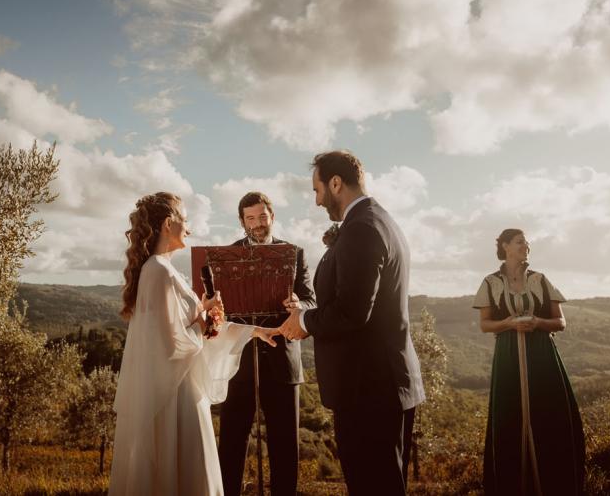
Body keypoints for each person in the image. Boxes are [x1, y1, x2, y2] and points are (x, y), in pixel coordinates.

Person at [109, 192, 280, 496]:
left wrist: (246, 328)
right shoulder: (159, 272)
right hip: (177, 396)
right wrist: (204, 318)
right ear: (167, 224)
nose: (188, 228)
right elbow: (171, 341)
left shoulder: (161, 268)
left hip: (180, 388)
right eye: (184, 220)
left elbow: (178, 326)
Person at [278, 150, 424, 496]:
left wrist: (305, 321)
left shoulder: (362, 228)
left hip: (369, 389)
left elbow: (353, 312)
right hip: (380, 384)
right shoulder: (378, 220)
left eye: (317, 191)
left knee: (374, 486)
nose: (316, 202)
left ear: (336, 183)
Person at [218, 191, 315, 496]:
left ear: (272, 216)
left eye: (262, 216)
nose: (258, 223)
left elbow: (312, 300)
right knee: (232, 440)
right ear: (242, 221)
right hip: (238, 358)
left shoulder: (295, 253)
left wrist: (299, 302)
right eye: (251, 218)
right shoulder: (226, 256)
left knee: (285, 442)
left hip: (283, 357)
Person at [474, 229, 584, 496]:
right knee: (509, 417)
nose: (527, 246)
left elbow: (561, 322)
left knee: (548, 413)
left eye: (526, 241)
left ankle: (555, 484)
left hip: (542, 354)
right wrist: (509, 323)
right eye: (520, 242)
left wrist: (537, 323)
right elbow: (485, 325)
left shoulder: (540, 279)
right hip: (508, 357)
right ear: (505, 246)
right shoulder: (490, 282)